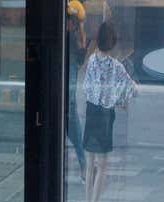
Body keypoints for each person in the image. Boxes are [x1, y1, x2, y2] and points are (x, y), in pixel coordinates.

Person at [79, 21, 137, 202]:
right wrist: (119, 101)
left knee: (90, 165)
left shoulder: (92, 60)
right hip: (104, 115)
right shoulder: (116, 66)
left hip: (91, 111)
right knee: (102, 166)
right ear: (112, 42)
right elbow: (132, 88)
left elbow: (86, 86)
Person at [66, 1, 88, 176]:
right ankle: (83, 166)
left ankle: (83, 166)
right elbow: (80, 57)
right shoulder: (75, 33)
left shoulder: (72, 35)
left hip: (67, 98)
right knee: (75, 131)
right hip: (68, 97)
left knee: (73, 125)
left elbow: (80, 56)